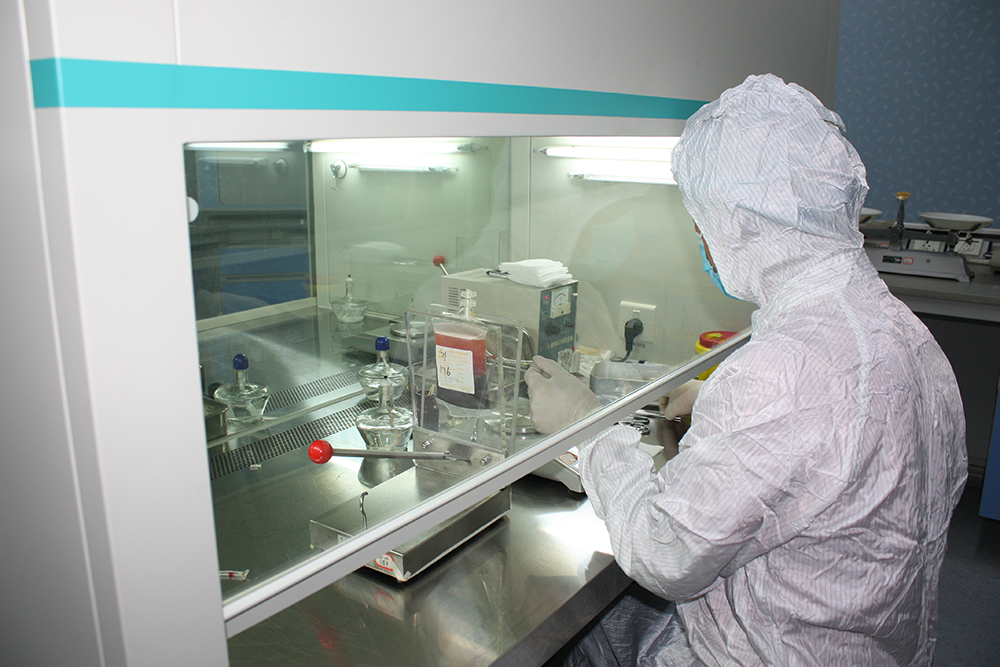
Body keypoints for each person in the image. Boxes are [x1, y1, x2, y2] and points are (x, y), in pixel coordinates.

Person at [524, 74, 968, 666]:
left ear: (738, 225)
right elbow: (830, 441)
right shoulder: (907, 335)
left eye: (701, 221)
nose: (700, 239)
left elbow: (664, 553)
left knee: (561, 637)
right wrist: (719, 403)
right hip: (876, 647)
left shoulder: (782, 375)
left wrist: (586, 424)